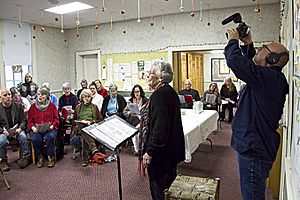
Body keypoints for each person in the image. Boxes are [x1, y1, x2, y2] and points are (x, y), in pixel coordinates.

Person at [224, 28, 289, 200]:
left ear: (272, 59)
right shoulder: (268, 78)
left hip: (254, 150)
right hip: (255, 147)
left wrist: (233, 40)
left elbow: (235, 62)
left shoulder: (269, 79)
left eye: (263, 48)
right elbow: (250, 66)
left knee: (252, 196)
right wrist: (248, 43)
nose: (259, 49)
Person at [139, 61, 185, 200]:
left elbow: (160, 127)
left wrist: (150, 151)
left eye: (152, 73)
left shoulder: (159, 95)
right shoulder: (170, 91)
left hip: (161, 154)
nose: (148, 76)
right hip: (171, 150)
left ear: (161, 77)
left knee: (159, 190)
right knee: (168, 188)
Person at [0, 88, 31, 171]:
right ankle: (3, 161)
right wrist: (3, 131)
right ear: (1, 97)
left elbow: (24, 120)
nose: (8, 96)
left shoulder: (18, 106)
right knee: (2, 140)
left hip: (16, 130)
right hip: (4, 132)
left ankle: (26, 158)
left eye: (9, 94)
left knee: (23, 138)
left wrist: (20, 128)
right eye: (5, 95)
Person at [27, 87, 59, 168]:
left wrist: (52, 126)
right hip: (36, 129)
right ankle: (39, 158)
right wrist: (33, 127)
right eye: (38, 94)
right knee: (35, 139)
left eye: (43, 95)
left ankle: (50, 157)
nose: (40, 96)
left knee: (49, 137)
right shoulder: (33, 107)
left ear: (47, 96)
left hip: (49, 129)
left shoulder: (52, 106)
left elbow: (56, 119)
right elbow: (30, 120)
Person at [70, 89, 102, 167]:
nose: (86, 98)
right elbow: (73, 121)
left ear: (90, 97)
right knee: (82, 126)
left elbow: (100, 119)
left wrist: (91, 122)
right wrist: (80, 121)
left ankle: (85, 160)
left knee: (85, 135)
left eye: (88, 97)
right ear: (82, 98)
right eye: (84, 97)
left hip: (91, 128)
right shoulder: (78, 108)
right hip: (79, 128)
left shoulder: (94, 107)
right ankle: (93, 148)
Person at [123, 84, 148, 155]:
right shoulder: (131, 101)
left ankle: (136, 148)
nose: (136, 93)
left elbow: (148, 112)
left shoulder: (145, 101)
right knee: (133, 118)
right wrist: (129, 113)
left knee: (135, 125)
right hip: (132, 119)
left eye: (138, 91)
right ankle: (136, 148)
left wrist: (140, 115)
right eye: (135, 92)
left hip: (141, 119)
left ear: (141, 92)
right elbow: (124, 112)